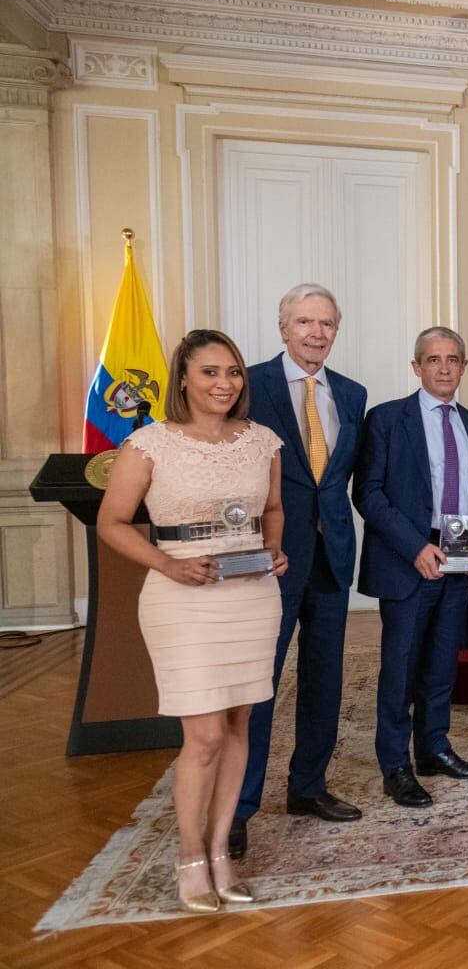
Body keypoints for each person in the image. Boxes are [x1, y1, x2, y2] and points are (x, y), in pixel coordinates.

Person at [97, 329, 288, 912]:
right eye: (210, 372)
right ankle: (189, 856)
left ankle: (221, 851)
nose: (224, 383)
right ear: (183, 378)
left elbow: (274, 509)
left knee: (238, 729)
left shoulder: (263, 441)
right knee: (202, 735)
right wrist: (168, 565)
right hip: (181, 597)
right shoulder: (149, 443)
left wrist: (274, 551)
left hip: (252, 595)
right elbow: (112, 522)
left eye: (232, 372)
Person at [232, 284, 365, 861]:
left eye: (327, 323)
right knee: (258, 684)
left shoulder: (353, 394)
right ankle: (238, 806)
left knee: (323, 677)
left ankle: (308, 786)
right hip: (271, 557)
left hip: (332, 554)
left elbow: (340, 479)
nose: (317, 333)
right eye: (306, 322)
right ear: (282, 327)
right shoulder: (248, 385)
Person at [354, 327, 468, 808]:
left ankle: (434, 747)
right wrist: (415, 547)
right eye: (433, 359)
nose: (444, 368)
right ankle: (396, 764)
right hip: (407, 558)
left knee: (440, 663)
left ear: (463, 365)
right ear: (416, 366)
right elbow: (367, 493)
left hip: (457, 555)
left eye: (453, 359)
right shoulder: (388, 419)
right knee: (401, 667)